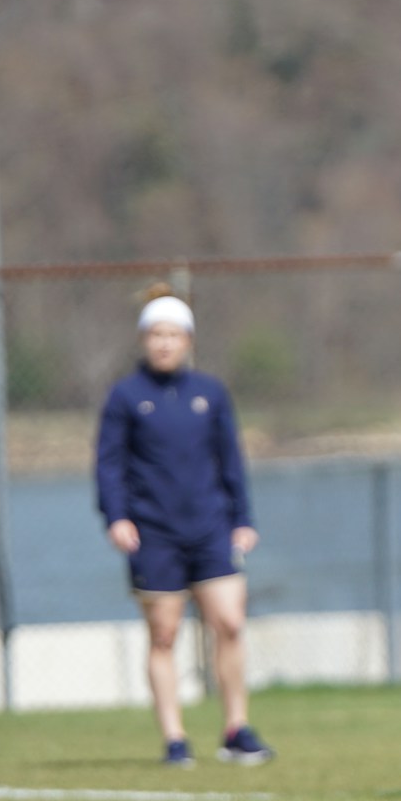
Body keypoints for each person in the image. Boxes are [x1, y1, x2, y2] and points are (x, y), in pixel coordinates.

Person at [95, 288, 275, 767]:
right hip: (154, 533)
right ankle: (175, 738)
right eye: (156, 334)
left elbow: (230, 459)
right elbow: (108, 464)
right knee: (164, 635)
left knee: (230, 623)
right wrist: (116, 517)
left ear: (188, 339)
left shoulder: (210, 394)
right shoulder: (126, 397)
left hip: (210, 528)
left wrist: (242, 518)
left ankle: (235, 729)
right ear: (143, 339)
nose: (164, 343)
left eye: (173, 335)